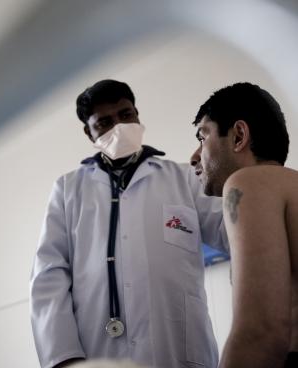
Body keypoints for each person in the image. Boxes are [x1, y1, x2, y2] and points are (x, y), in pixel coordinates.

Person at [30, 79, 228, 368]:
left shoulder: (185, 179)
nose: (119, 126)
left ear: (137, 114)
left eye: (125, 115)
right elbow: (48, 274)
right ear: (89, 132)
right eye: (105, 122)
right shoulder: (68, 190)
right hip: (98, 354)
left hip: (180, 350)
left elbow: (234, 232)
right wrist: (62, 357)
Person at [190, 82, 298, 368]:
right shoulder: (289, 186)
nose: (194, 156)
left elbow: (261, 332)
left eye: (202, 136)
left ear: (238, 135)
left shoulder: (248, 182)